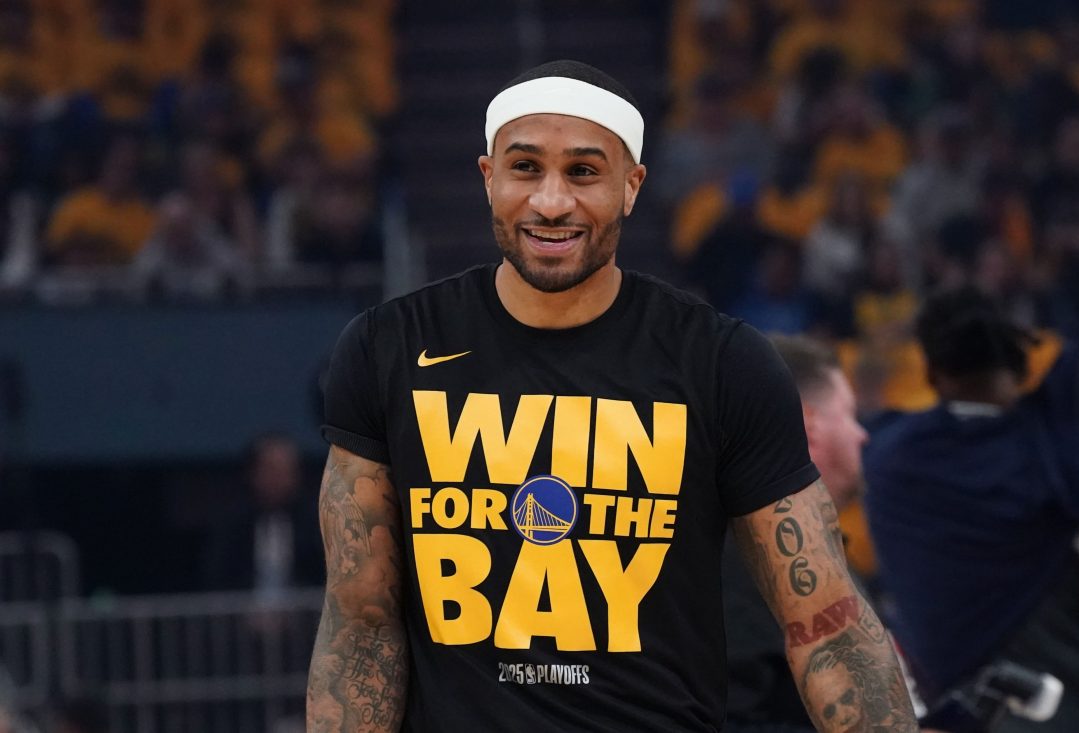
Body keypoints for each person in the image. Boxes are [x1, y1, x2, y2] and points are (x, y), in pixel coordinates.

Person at [307, 60, 917, 732]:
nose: (551, 201)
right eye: (525, 168)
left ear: (632, 187)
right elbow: (361, 626)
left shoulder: (722, 362)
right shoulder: (389, 347)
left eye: (583, 172)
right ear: (489, 179)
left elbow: (824, 622)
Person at [864, 288, 1079, 732]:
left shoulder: (888, 454)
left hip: (949, 700)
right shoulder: (1053, 447)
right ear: (1016, 363)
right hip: (1059, 680)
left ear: (931, 372)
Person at [724, 335, 869, 732]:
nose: (862, 435)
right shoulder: (747, 555)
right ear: (808, 425)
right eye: (850, 413)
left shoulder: (798, 545)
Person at [203, 432, 324, 595]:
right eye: (272, 470)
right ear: (253, 472)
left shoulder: (316, 524)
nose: (279, 479)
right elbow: (217, 577)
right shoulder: (232, 524)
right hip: (238, 616)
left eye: (287, 471)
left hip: (308, 617)